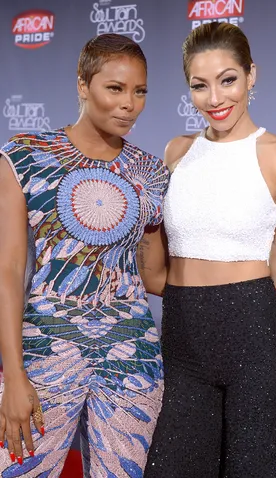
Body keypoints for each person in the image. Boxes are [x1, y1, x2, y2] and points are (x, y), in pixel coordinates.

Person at [144, 22, 276, 477]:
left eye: (228, 80)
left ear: (251, 75)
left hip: (259, 341)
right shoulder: (176, 152)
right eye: (200, 86)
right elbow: (155, 267)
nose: (215, 99)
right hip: (183, 341)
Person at [0, 33, 169, 477]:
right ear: (82, 85)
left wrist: (245, 283)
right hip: (44, 351)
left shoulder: (149, 171)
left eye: (139, 91)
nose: (129, 104)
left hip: (132, 357)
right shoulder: (25, 156)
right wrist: (14, 376)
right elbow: (9, 271)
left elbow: (155, 275)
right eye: (115, 88)